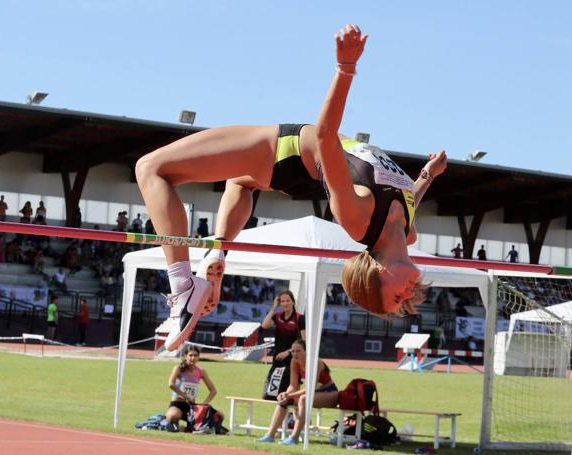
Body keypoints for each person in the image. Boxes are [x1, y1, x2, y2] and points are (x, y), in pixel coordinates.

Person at [134, 24, 447, 351]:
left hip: (285, 150)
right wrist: (428, 175)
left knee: (151, 169)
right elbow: (409, 196)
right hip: (296, 171)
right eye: (404, 299)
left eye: (397, 295)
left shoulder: (358, 220)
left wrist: (346, 68)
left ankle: (183, 287)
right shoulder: (407, 232)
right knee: (241, 182)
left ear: (378, 272)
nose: (410, 294)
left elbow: (326, 137)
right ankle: (219, 248)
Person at [257, 339, 338, 445]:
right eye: (293, 351)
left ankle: (294, 438)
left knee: (303, 399)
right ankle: (269, 435)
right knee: (284, 400)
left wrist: (289, 395)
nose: (295, 353)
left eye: (298, 351)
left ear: (306, 351)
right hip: (312, 394)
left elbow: (310, 388)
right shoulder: (294, 362)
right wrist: (285, 394)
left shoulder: (316, 362)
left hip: (329, 393)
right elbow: (293, 385)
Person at [261, 291, 306, 401]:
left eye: (287, 301)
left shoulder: (300, 318)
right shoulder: (277, 316)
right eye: (282, 301)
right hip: (278, 360)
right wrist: (274, 307)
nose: (285, 303)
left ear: (293, 302)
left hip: (293, 360)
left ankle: (294, 415)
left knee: (289, 394)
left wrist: (289, 352)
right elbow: (264, 325)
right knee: (269, 395)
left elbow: (304, 341)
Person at [166, 345, 223, 431]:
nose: (193, 358)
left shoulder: (201, 372)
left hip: (191, 406)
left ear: (198, 357)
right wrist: (186, 397)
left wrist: (203, 405)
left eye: (195, 355)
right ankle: (171, 422)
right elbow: (171, 384)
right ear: (186, 356)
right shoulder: (178, 368)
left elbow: (213, 391)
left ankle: (185, 428)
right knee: (173, 416)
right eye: (190, 355)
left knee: (220, 415)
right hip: (177, 403)